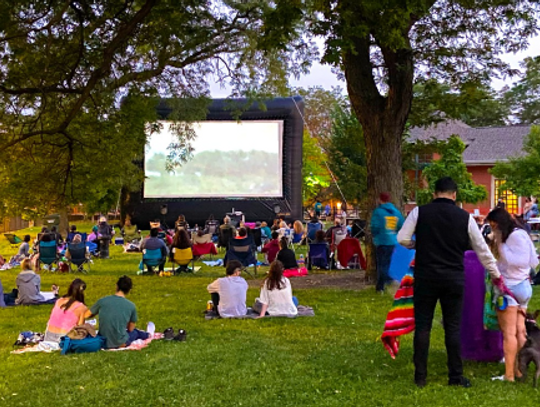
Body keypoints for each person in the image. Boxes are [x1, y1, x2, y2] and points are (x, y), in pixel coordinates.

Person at [398, 177, 502, 388]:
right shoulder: (465, 218)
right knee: (452, 327)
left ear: (434, 193)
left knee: (423, 326)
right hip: (453, 278)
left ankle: (420, 376)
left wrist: (416, 244)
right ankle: (455, 376)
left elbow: (402, 238)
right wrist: (495, 273)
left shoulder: (419, 212)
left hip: (426, 276)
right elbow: (482, 249)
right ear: (454, 195)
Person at [486, 208, 538, 382]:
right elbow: (532, 261)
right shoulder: (521, 234)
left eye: (494, 226)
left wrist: (499, 244)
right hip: (523, 286)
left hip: (510, 288)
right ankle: (520, 371)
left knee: (509, 333)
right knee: (520, 331)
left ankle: (509, 374)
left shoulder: (512, 237)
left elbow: (519, 261)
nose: (493, 230)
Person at [85, 276, 149, 349]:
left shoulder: (103, 301)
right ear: (129, 290)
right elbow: (130, 329)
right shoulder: (131, 306)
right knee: (135, 332)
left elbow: (87, 315)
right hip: (121, 342)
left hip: (103, 342)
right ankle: (148, 335)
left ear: (116, 286)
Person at [371, 192, 404, 293]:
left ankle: (383, 284)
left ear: (380, 199)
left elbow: (375, 227)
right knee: (389, 263)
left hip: (382, 241)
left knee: (382, 264)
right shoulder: (396, 212)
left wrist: (375, 235)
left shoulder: (378, 212)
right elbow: (401, 224)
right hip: (393, 241)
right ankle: (386, 283)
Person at [44, 279, 88, 343]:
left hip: (49, 336)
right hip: (65, 339)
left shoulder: (59, 301)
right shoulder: (82, 307)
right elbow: (80, 328)